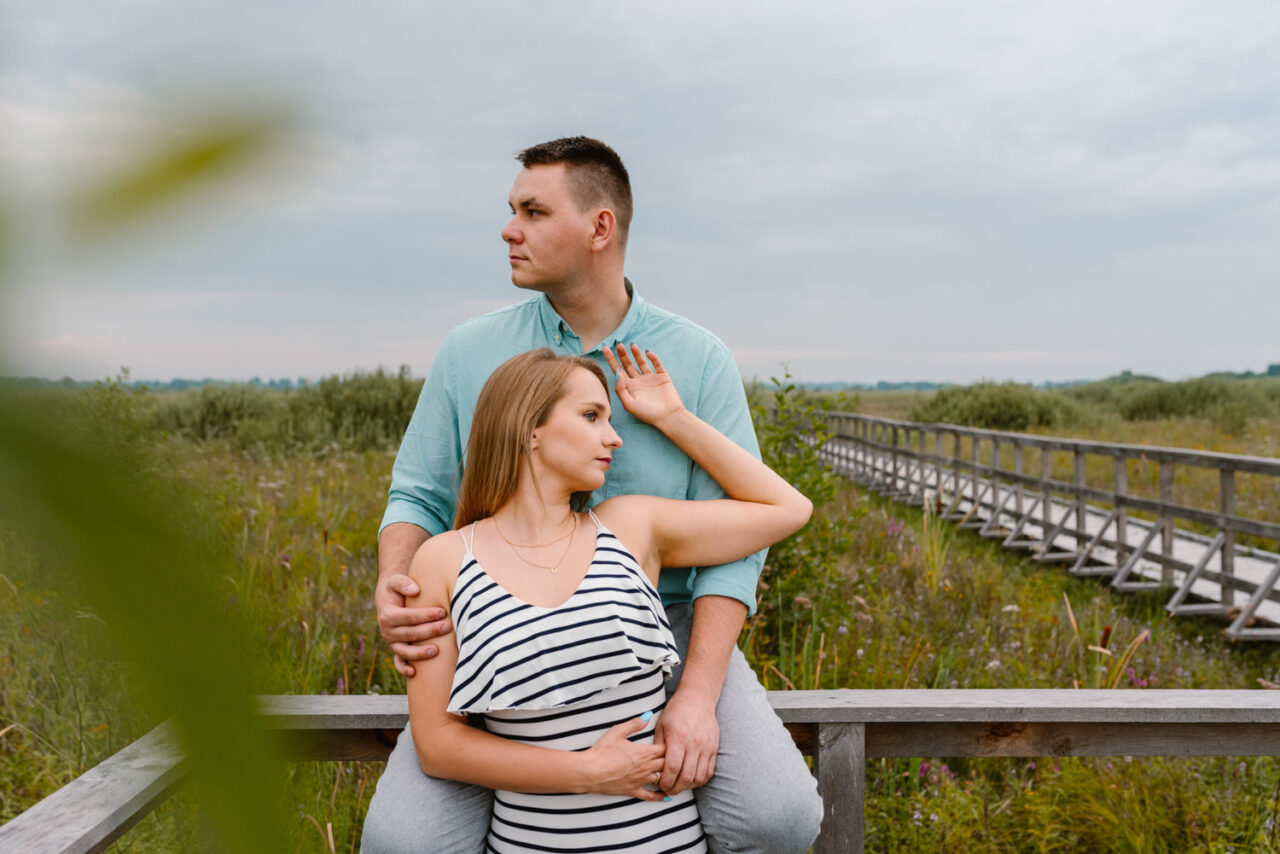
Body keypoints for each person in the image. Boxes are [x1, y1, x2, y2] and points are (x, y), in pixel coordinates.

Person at [362, 137, 824, 853]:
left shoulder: (697, 357)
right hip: (491, 626)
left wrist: (697, 697)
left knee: (777, 816)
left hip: (663, 629)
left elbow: (743, 548)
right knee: (404, 844)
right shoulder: (468, 352)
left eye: (532, 211)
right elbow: (417, 496)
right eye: (512, 211)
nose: (508, 230)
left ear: (599, 228)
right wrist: (398, 581)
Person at [402, 343, 812, 853]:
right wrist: (585, 771)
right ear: (530, 426)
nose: (614, 437)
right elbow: (438, 744)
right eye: (592, 416)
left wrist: (674, 417)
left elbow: (789, 508)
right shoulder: (442, 560)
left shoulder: (629, 527)